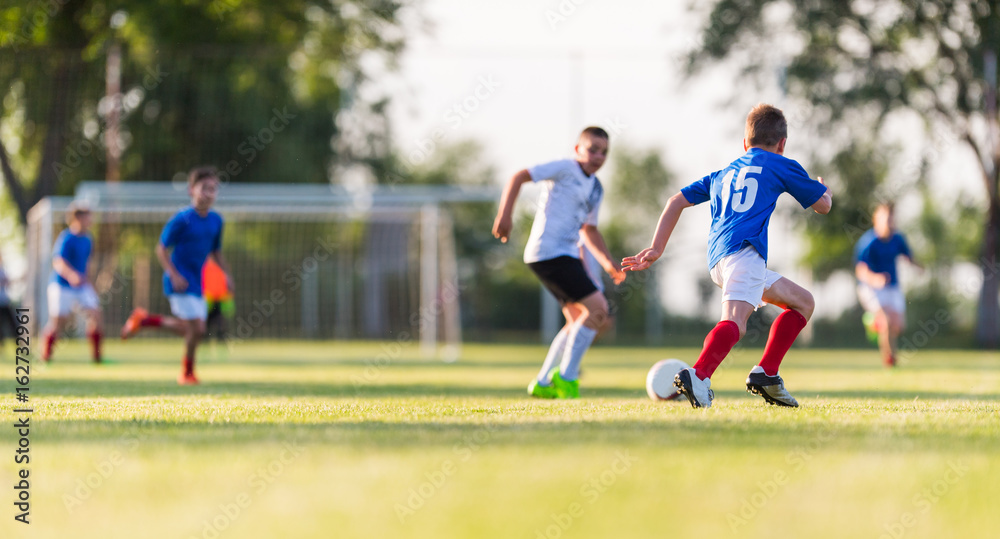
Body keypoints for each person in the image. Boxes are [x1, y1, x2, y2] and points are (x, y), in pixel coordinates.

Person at [623, 103, 832, 408]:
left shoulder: (725, 171)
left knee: (803, 302)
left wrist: (656, 248)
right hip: (745, 254)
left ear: (745, 143)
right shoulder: (780, 163)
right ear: (782, 143)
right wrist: (824, 190)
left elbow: (675, 201)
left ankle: (767, 375)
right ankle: (699, 374)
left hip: (719, 260)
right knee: (736, 321)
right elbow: (823, 206)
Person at [492, 126, 626, 399]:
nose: (598, 156)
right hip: (549, 252)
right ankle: (566, 378)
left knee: (577, 319)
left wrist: (609, 263)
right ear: (578, 149)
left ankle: (543, 382)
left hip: (564, 254)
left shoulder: (596, 188)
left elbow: (589, 231)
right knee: (598, 310)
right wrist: (505, 215)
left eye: (604, 152)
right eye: (592, 149)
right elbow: (519, 176)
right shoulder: (565, 168)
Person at [121, 166, 231, 385]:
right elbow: (161, 248)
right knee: (197, 329)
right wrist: (173, 274)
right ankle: (187, 373)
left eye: (214, 189)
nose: (210, 193)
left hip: (197, 283)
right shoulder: (182, 219)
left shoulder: (216, 221)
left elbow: (216, 252)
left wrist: (226, 274)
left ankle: (145, 320)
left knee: (191, 329)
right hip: (179, 281)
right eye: (205, 188)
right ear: (192, 190)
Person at [854, 202, 921, 367]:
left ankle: (873, 323)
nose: (889, 223)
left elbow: (908, 256)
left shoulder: (897, 239)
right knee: (886, 322)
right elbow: (861, 271)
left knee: (898, 325)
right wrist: (875, 279)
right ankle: (890, 360)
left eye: (892, 220)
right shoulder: (869, 242)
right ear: (876, 220)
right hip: (870, 287)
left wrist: (918, 266)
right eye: (886, 220)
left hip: (892, 286)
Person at [41, 202, 103, 363]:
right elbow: (58, 262)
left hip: (81, 285)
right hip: (62, 285)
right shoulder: (66, 237)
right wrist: (71, 275)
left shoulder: (88, 239)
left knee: (95, 313)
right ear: (78, 218)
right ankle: (46, 356)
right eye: (88, 216)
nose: (91, 219)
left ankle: (97, 357)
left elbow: (87, 263)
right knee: (59, 321)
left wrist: (88, 281)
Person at [202, 257, 235, 346]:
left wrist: (230, 292)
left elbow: (228, 282)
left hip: (220, 298)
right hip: (209, 299)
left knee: (220, 322)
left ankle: (222, 342)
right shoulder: (205, 265)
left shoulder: (222, 266)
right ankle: (205, 343)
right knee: (207, 323)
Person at [0, 252, 18, 352]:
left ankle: (19, 343)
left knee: (12, 323)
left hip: (4, 301)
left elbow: (7, 282)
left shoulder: (3, 269)